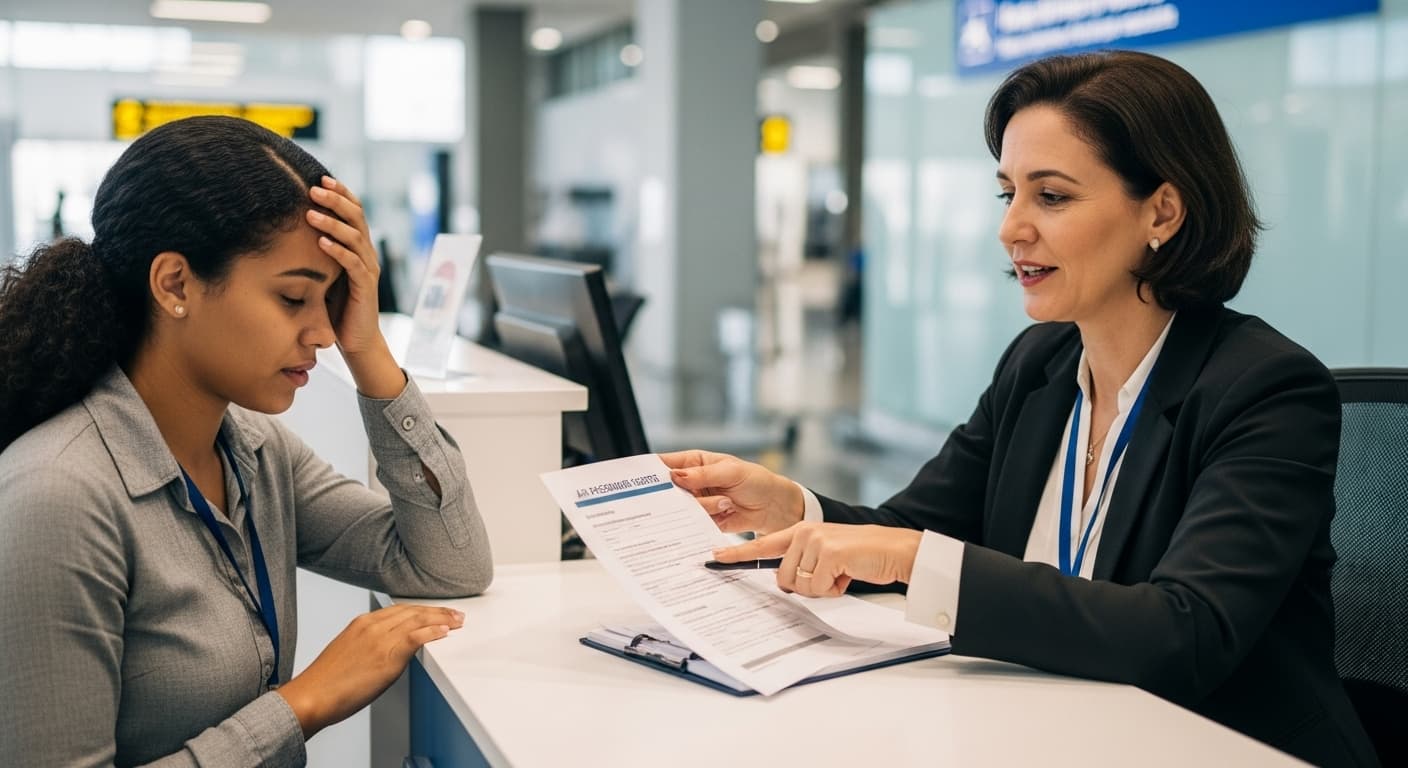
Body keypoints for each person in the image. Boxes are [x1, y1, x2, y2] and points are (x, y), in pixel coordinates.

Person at [665, 51, 1377, 767]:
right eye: (1007, 193)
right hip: (1050, 732)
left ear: (1161, 210)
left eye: (1053, 196)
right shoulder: (1038, 364)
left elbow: (1183, 635)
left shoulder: (1267, 389)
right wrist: (798, 510)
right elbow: (915, 532)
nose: (1012, 228)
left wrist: (916, 557)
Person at [0, 116, 493, 767]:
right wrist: (302, 705)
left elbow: (447, 562)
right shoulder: (58, 500)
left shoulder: (253, 450)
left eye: (333, 299)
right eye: (294, 298)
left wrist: (368, 347)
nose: (322, 332)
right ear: (175, 284)